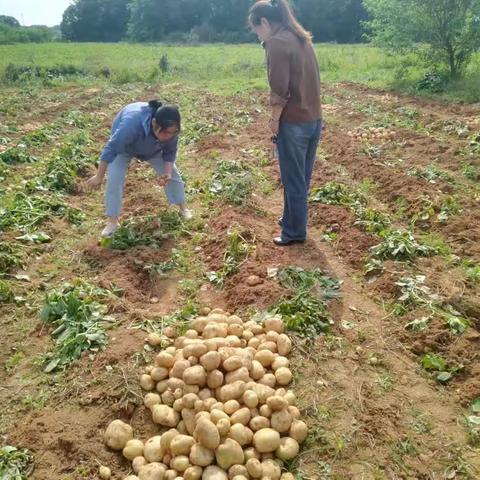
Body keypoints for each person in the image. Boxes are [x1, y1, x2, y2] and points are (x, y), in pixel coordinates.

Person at [249, 0, 322, 246]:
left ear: (266, 23)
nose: (257, 34)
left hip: (294, 122)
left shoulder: (277, 43)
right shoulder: (301, 38)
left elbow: (279, 90)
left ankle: (294, 233)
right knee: (301, 178)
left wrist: (273, 120)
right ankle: (290, 220)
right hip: (314, 119)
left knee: (293, 180)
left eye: (256, 29)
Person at [86, 100, 191, 237]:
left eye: (173, 132)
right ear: (154, 123)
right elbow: (111, 149)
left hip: (153, 147)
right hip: (124, 148)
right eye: (166, 132)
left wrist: (167, 172)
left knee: (173, 175)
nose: (169, 136)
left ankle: (183, 208)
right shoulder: (130, 125)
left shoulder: (171, 131)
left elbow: (170, 152)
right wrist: (99, 176)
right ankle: (112, 222)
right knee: (114, 179)